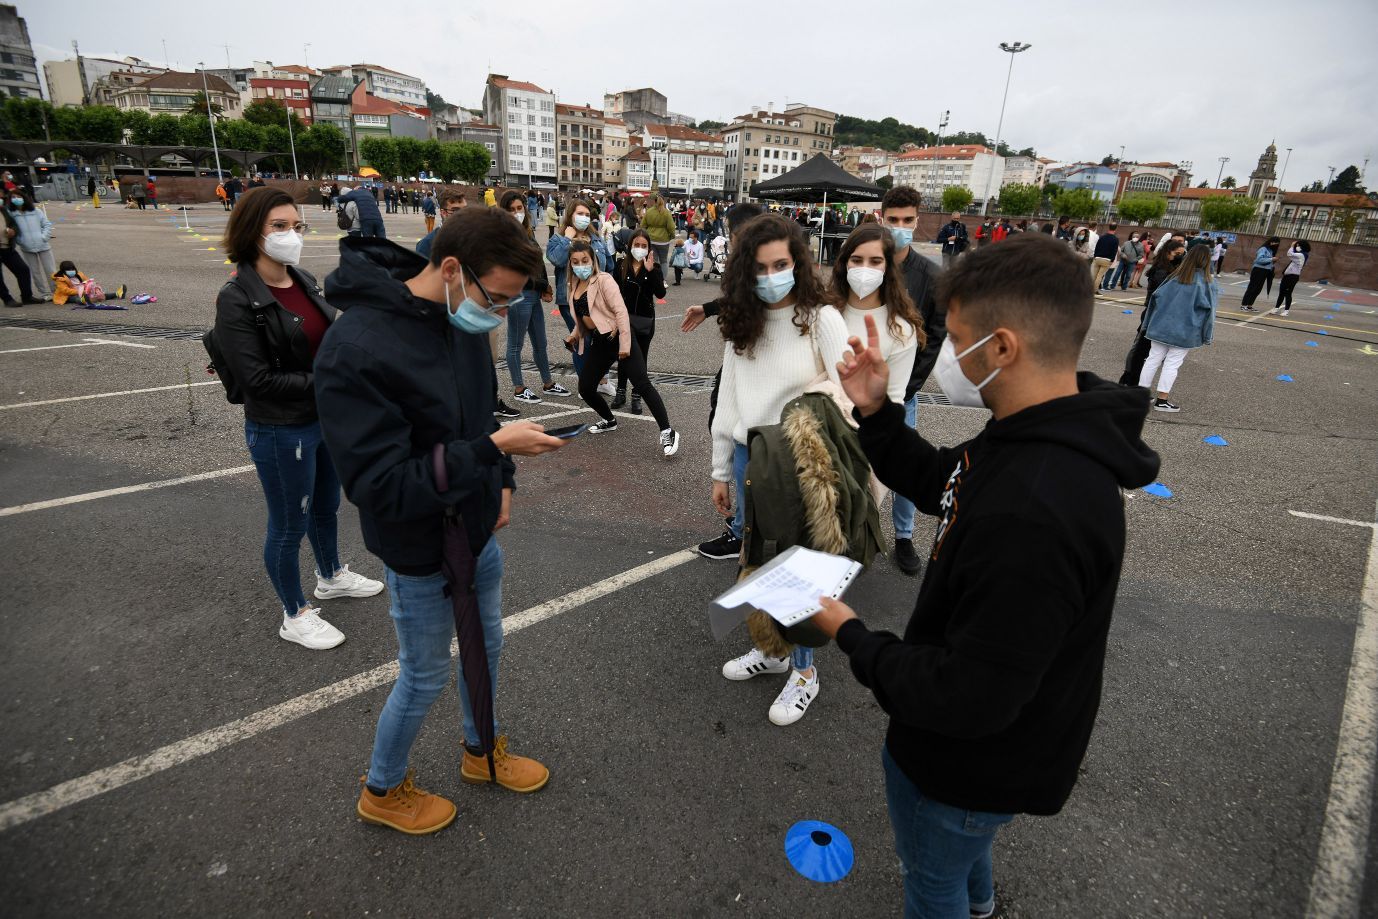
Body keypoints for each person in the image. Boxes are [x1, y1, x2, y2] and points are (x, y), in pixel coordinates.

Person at [810, 232, 1159, 919]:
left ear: (1001, 347)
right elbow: (950, 482)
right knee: (962, 861)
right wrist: (878, 412)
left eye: (958, 339)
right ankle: (983, 905)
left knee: (931, 876)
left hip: (966, 768)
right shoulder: (1030, 430)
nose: (947, 356)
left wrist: (852, 634)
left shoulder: (1038, 509)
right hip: (995, 763)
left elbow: (969, 698)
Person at [314, 206, 569, 835]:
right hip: (419, 544)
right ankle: (382, 787)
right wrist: (494, 453)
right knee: (424, 671)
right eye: (499, 298)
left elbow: (483, 415)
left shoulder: (460, 319)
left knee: (486, 647)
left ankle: (480, 751)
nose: (502, 315)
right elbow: (381, 485)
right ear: (451, 269)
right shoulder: (356, 346)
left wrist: (500, 479)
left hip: (475, 525)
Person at [211, 186, 384, 651]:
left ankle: (329, 575)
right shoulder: (237, 298)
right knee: (289, 523)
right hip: (280, 427)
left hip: (323, 419)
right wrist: (330, 381)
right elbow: (258, 381)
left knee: (325, 507)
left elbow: (326, 339)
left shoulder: (303, 279)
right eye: (279, 227)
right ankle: (295, 612)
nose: (292, 235)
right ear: (252, 232)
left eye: (296, 226)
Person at [705, 214, 851, 726]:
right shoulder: (739, 321)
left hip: (799, 464)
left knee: (797, 570)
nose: (772, 276)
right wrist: (721, 468)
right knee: (756, 558)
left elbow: (847, 396)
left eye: (782, 265)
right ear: (747, 270)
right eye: (762, 267)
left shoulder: (821, 319)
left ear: (798, 262)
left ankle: (805, 671)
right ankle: (773, 650)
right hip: (750, 461)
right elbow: (729, 399)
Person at [877, 185, 947, 577]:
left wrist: (908, 387)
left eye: (907, 221)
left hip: (904, 393)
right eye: (893, 220)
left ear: (917, 221)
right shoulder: (867, 264)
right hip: (860, 387)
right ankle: (855, 530)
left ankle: (903, 537)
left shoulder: (932, 276)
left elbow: (936, 336)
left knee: (904, 466)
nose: (900, 228)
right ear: (881, 219)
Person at [562, 240, 680, 455]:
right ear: (571, 264)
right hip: (600, 341)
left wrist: (625, 345)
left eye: (585, 260)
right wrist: (573, 335)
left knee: (642, 384)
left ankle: (667, 431)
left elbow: (621, 313)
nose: (581, 265)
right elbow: (584, 319)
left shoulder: (604, 280)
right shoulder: (573, 285)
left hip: (619, 337)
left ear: (593, 260)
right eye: (576, 262)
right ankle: (609, 420)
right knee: (586, 388)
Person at [830, 223, 922, 426]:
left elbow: (895, 400)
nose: (865, 269)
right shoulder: (824, 313)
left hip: (863, 441)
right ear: (844, 263)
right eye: (856, 260)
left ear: (888, 267)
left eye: (875, 261)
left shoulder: (901, 329)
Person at [498, 190, 568, 405]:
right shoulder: (505, 238)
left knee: (541, 342)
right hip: (519, 295)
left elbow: (536, 266)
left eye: (519, 208)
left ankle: (547, 383)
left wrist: (544, 286)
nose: (516, 213)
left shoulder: (527, 233)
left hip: (533, 294)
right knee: (515, 345)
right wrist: (541, 285)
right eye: (511, 210)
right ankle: (519, 388)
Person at [1138, 242, 1218, 413]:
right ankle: (1162, 400)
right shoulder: (1207, 283)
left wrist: (1148, 323)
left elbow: (1155, 298)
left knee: (1152, 359)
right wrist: (1207, 335)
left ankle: (1141, 395)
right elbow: (1210, 313)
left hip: (1161, 326)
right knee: (1172, 364)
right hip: (1185, 331)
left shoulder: (1174, 277)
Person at [546, 198, 612, 387]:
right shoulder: (558, 239)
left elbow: (608, 264)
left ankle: (602, 379)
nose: (584, 218)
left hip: (597, 299)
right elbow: (557, 260)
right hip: (571, 300)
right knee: (582, 339)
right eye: (579, 214)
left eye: (586, 215)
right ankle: (586, 384)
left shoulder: (596, 238)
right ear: (570, 216)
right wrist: (568, 239)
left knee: (602, 339)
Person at [612, 228, 665, 415]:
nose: (640, 248)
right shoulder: (620, 265)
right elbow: (612, 291)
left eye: (644, 246)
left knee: (640, 360)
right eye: (637, 245)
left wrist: (651, 273)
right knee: (623, 356)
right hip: (624, 321)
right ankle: (620, 391)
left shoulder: (653, 267)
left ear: (649, 248)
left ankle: (637, 395)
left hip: (644, 322)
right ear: (630, 246)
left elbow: (661, 293)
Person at [10, 190, 55, 301]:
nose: (16, 199)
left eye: (18, 196)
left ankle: (56, 291)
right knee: (35, 272)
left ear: (23, 197)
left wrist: (44, 237)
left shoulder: (35, 211)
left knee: (51, 270)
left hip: (43, 245)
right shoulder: (12, 214)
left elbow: (47, 225)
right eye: (13, 197)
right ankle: (44, 293)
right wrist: (21, 241)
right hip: (27, 247)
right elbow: (13, 231)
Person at [0, 194, 38, 307]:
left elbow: (13, 224)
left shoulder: (3, 210)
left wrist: (13, 231)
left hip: (7, 247)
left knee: (23, 269)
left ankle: (27, 296)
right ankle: (7, 299)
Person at [51, 259, 126, 306]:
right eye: (69, 270)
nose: (71, 271)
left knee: (99, 294)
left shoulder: (79, 274)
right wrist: (80, 292)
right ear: (63, 271)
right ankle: (83, 300)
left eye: (72, 269)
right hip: (67, 296)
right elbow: (65, 291)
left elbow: (88, 282)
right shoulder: (60, 279)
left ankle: (118, 293)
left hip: (83, 292)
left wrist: (95, 289)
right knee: (75, 298)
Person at [416, 192, 466, 258]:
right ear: (443, 213)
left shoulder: (472, 238)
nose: (463, 215)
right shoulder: (427, 244)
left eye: (466, 210)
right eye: (456, 211)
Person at [1270, 240, 1309, 316]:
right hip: (1287, 276)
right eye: (1297, 245)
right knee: (1281, 292)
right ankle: (1276, 308)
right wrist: (1293, 247)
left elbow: (1289, 254)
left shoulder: (1302, 255)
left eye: (1298, 246)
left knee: (1288, 293)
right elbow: (1292, 253)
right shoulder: (1299, 254)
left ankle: (1286, 311)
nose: (1297, 247)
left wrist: (1292, 246)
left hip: (1293, 277)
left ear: (1303, 247)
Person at [1240, 237, 1280, 311]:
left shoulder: (1271, 250)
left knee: (1258, 289)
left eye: (1277, 243)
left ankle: (1249, 305)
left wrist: (1272, 264)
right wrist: (1271, 259)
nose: (1275, 244)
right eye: (1274, 242)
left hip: (1266, 271)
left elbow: (1269, 262)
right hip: (1258, 270)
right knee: (1252, 288)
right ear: (1270, 242)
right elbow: (1259, 260)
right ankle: (1243, 305)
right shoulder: (1263, 249)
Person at [641, 194, 676, 267]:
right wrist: (672, 236)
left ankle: (655, 277)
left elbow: (643, 225)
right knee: (664, 261)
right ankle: (663, 278)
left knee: (654, 260)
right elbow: (671, 227)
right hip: (664, 241)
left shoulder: (649, 211)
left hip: (651, 239)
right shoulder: (666, 213)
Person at [1091, 223, 1120, 290]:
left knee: (1094, 275)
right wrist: (1112, 260)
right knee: (1100, 276)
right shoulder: (1115, 239)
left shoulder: (1102, 237)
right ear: (1116, 228)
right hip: (1107, 260)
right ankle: (1095, 290)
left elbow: (1097, 247)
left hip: (1098, 258)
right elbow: (1114, 251)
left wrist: (1095, 256)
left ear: (1109, 227)